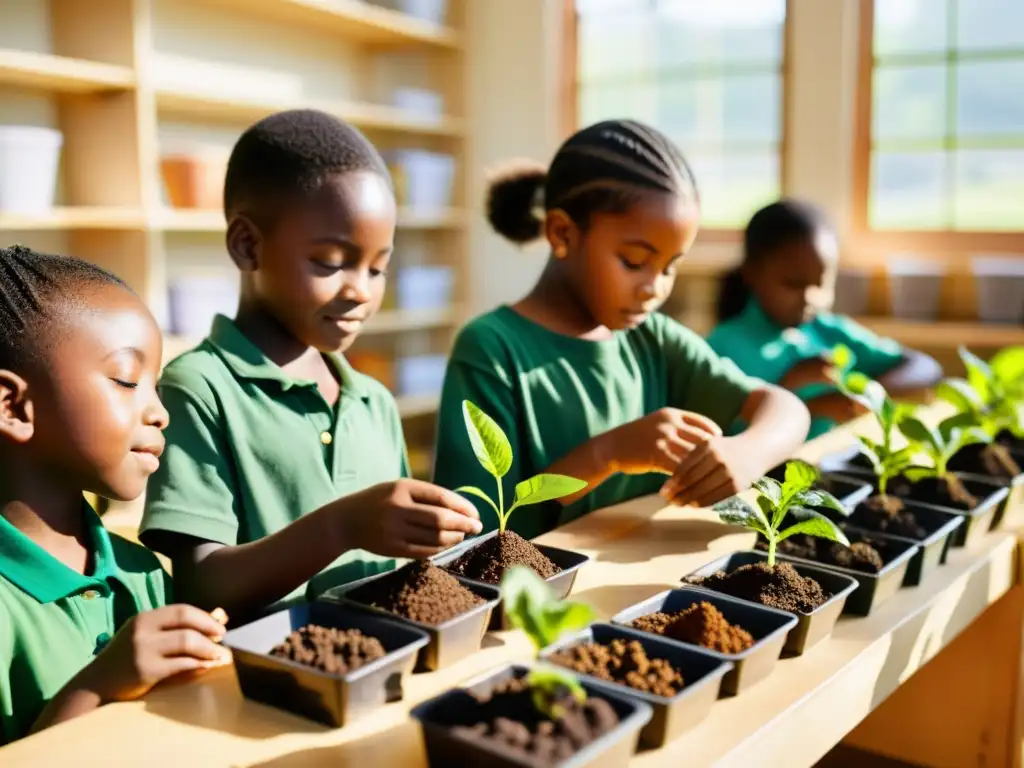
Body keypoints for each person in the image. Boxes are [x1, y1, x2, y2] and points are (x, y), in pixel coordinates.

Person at [139, 109, 481, 621]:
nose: (361, 291)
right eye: (330, 261)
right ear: (247, 245)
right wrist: (341, 527)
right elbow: (201, 582)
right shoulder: (199, 389)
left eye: (378, 267)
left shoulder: (372, 401)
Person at [431, 119, 810, 540]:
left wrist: (747, 452)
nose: (655, 288)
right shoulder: (492, 348)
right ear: (562, 234)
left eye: (670, 266)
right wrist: (607, 453)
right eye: (634, 261)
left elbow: (785, 408)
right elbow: (474, 528)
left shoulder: (653, 338)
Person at [0, 245, 230, 745]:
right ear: (13, 406)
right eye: (127, 380)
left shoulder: (141, 571)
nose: (159, 413)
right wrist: (101, 683)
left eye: (156, 385)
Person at [707, 199, 941, 439]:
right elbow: (725, 436)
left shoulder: (827, 331)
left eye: (820, 283)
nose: (810, 297)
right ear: (752, 273)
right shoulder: (723, 348)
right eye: (793, 284)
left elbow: (925, 367)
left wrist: (867, 394)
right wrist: (799, 398)